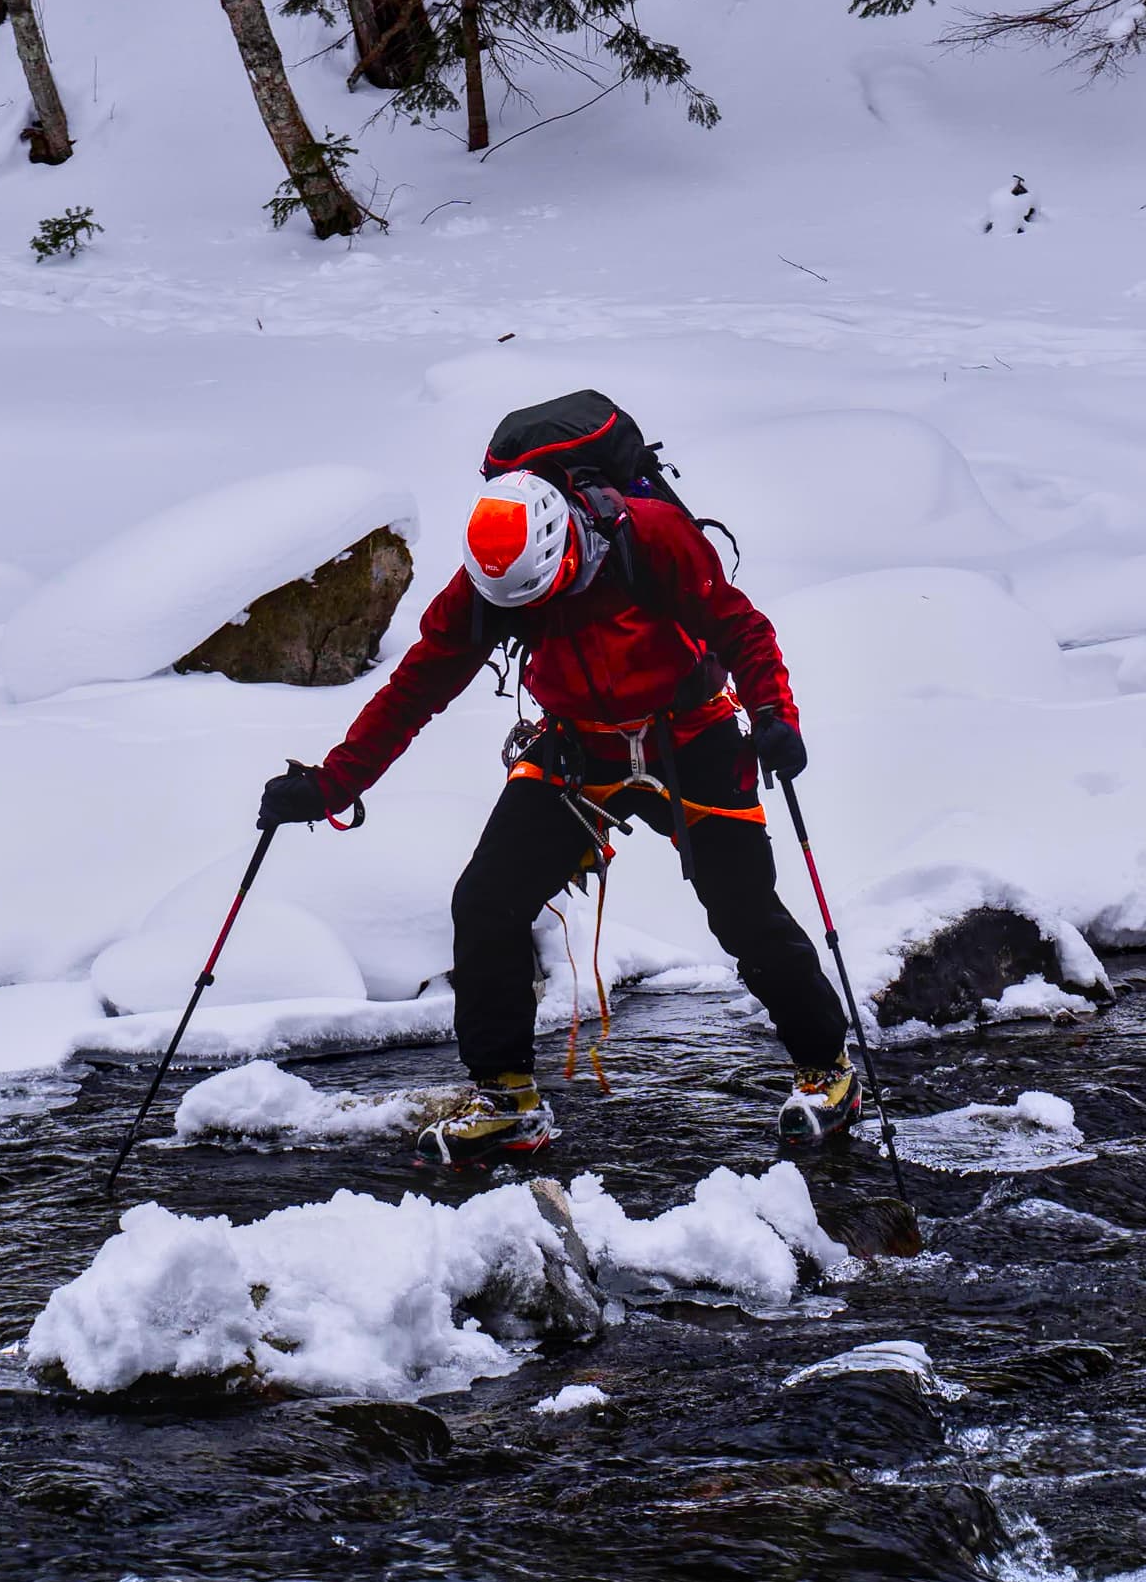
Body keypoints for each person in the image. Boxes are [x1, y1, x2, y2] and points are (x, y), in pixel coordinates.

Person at [257, 461, 852, 1169]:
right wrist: (330, 786)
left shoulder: (652, 539)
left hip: (691, 735)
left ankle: (826, 1070)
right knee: (486, 903)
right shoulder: (488, 586)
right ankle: (506, 1102)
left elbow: (741, 629)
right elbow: (415, 689)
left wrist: (774, 717)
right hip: (577, 749)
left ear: (566, 545)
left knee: (742, 911)